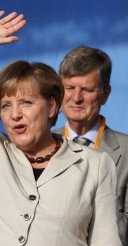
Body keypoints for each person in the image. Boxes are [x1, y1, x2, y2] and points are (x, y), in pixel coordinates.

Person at [0, 11, 121, 245]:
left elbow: (106, 239)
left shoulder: (94, 165)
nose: (15, 115)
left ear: (52, 106)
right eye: (5, 105)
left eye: (26, 103)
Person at [53, 45, 128, 245]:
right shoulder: (40, 145)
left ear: (105, 93)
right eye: (68, 88)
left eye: (87, 89)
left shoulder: (127, 151)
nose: (76, 98)